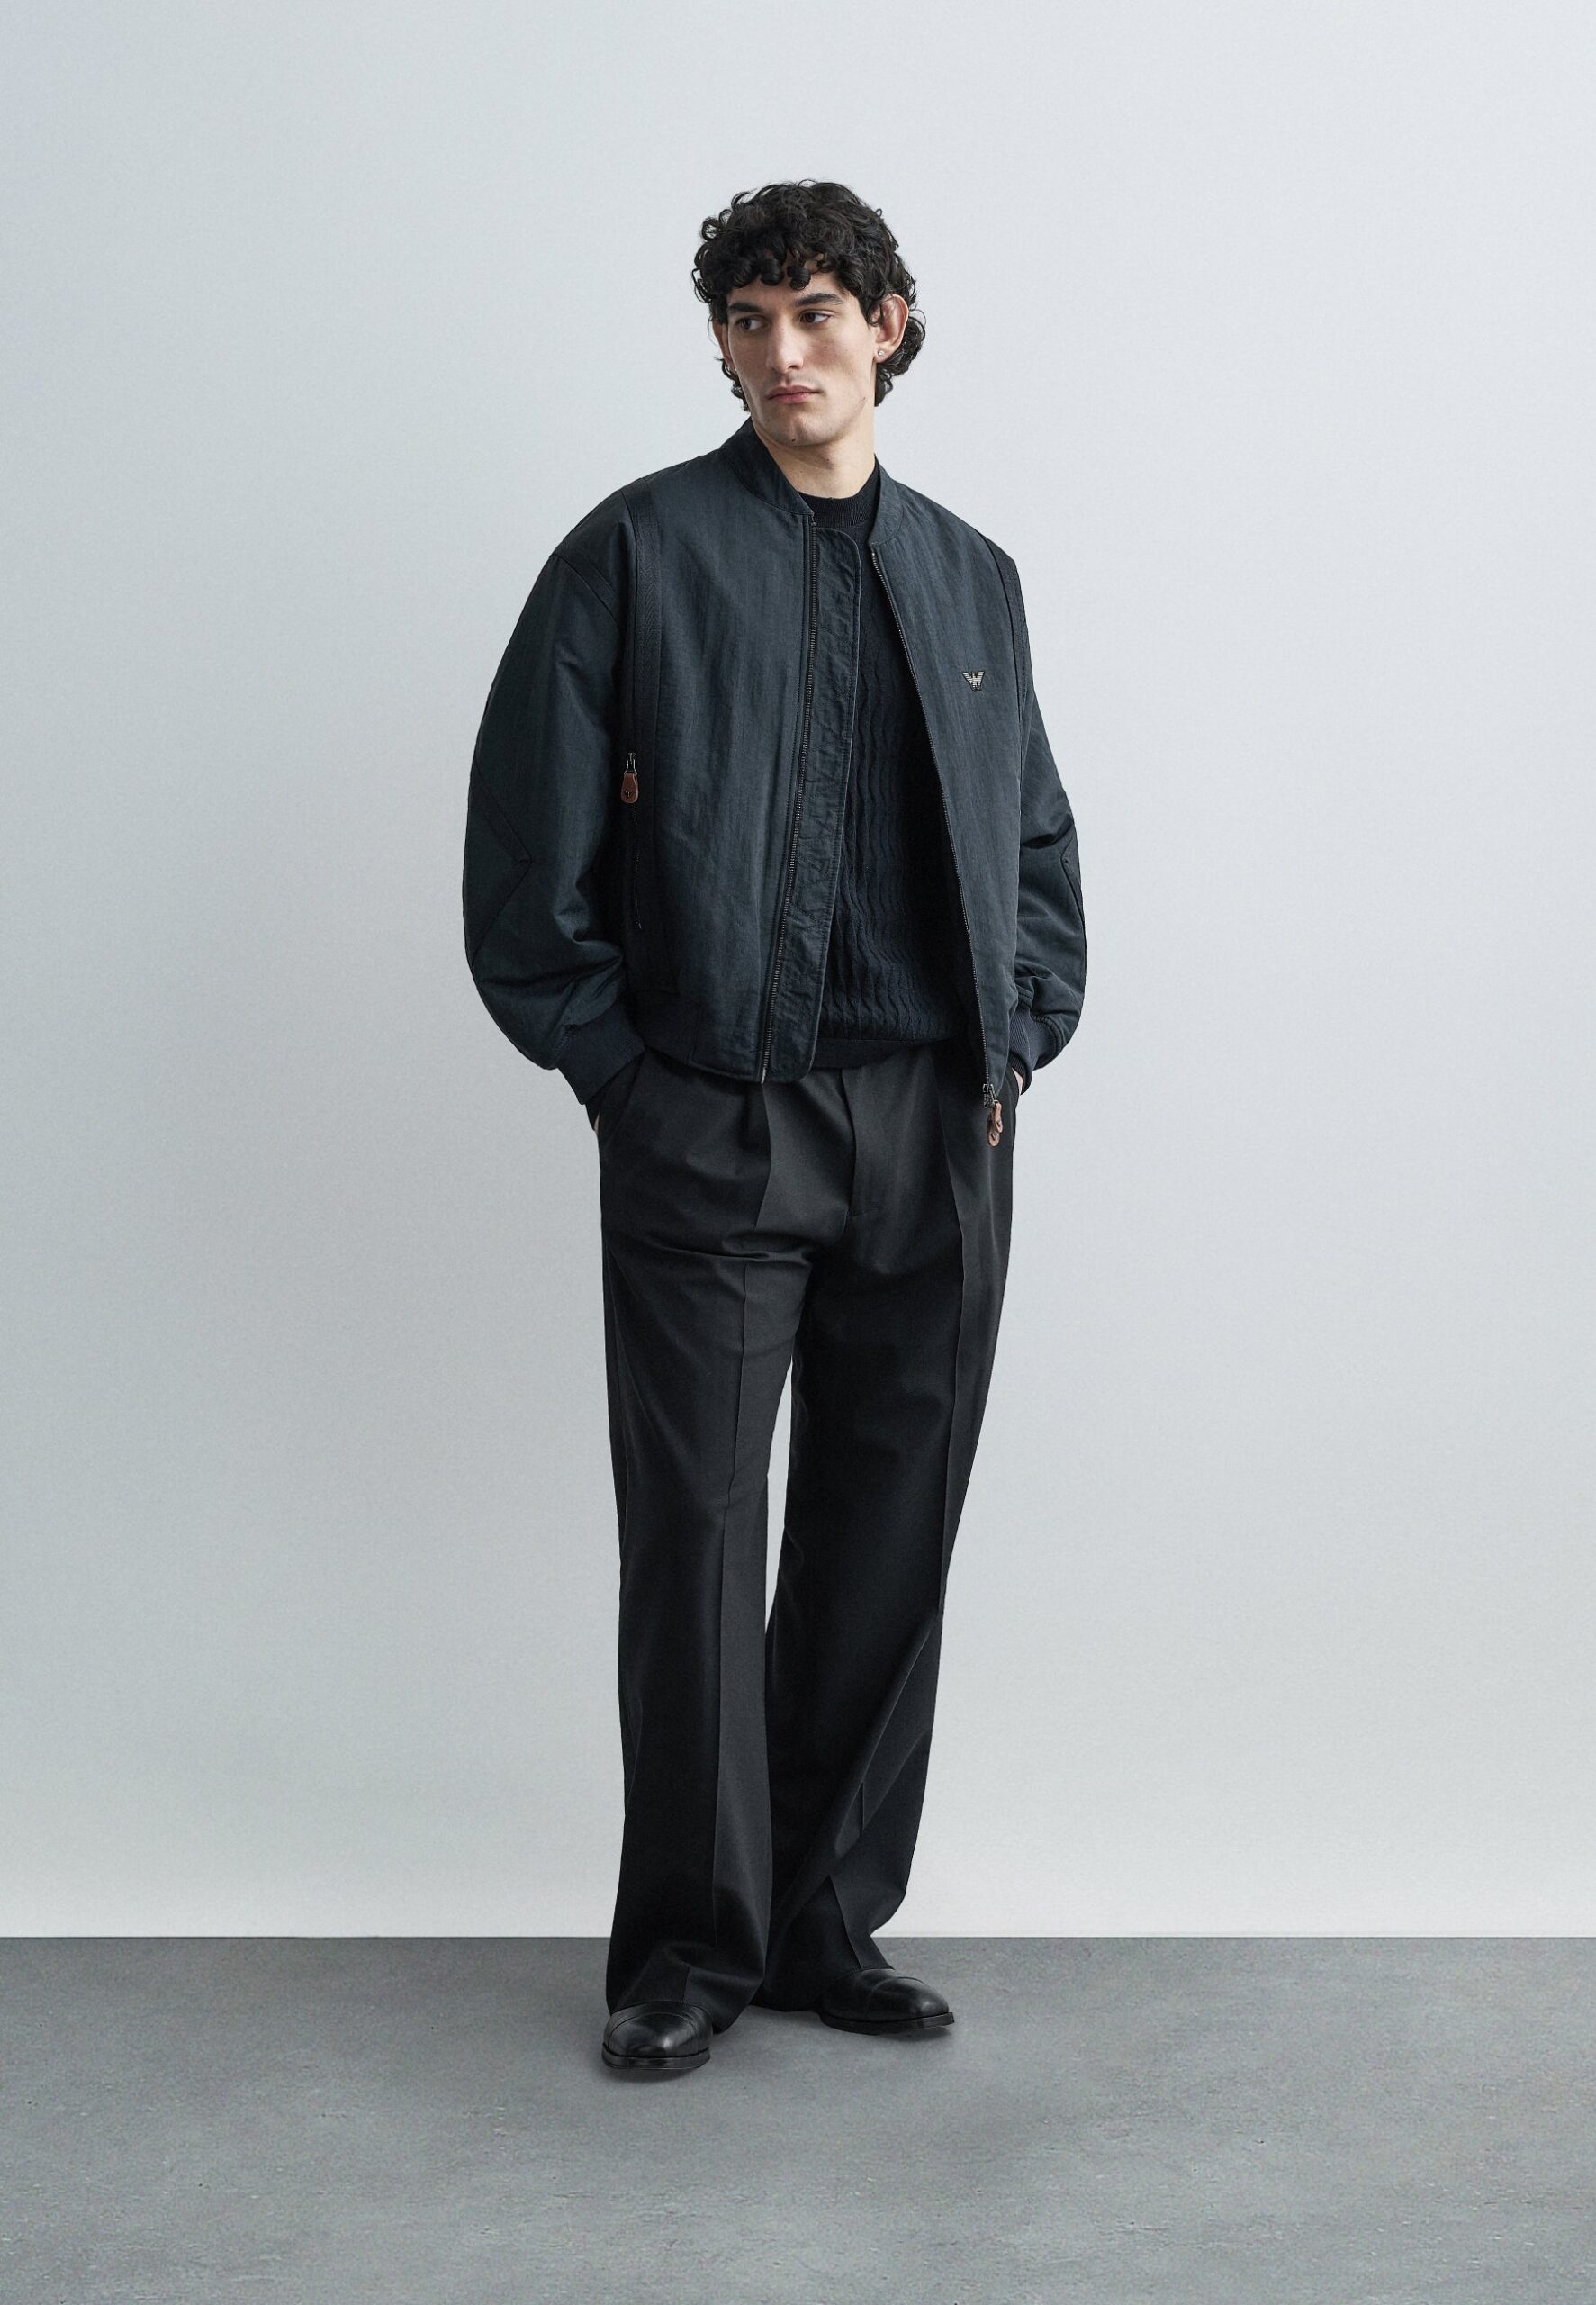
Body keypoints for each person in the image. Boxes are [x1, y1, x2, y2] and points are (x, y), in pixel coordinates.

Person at [463, 179, 1087, 2077]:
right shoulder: (634, 554)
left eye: (812, 312)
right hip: (712, 1128)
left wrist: (1013, 1043)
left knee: (888, 1537)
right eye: (745, 321)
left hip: (934, 1123)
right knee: (699, 1537)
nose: (778, 353)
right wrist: (630, 1082)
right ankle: (688, 1947)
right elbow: (523, 870)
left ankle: (824, 1921)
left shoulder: (971, 578)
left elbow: (1034, 843)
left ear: (884, 325)